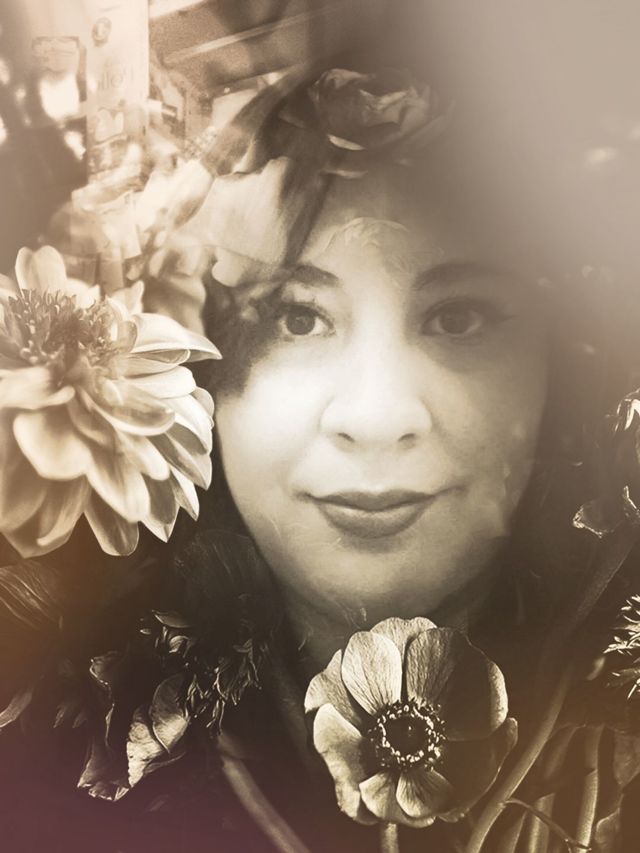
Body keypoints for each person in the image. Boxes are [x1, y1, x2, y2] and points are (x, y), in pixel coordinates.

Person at [2, 63, 640, 853]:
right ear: (188, 362)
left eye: (460, 317)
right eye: (296, 317)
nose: (375, 418)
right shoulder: (55, 742)